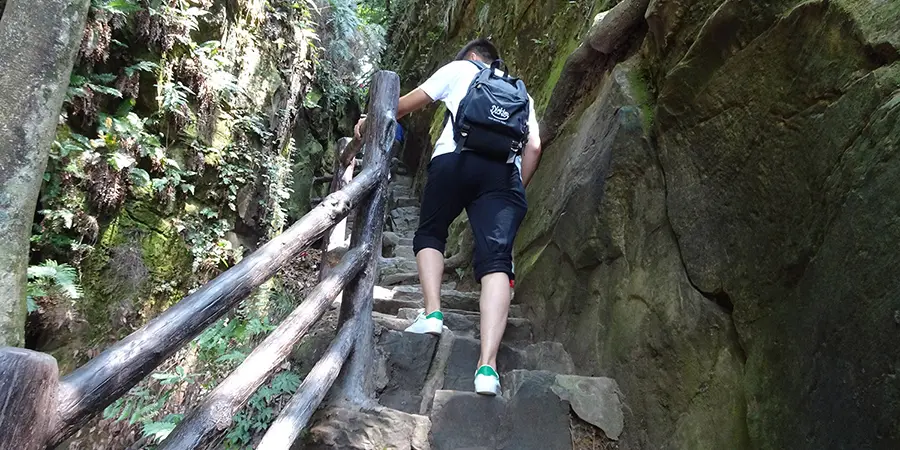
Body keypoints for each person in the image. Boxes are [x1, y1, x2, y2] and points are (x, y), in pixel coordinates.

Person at [355, 39, 542, 396]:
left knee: (430, 234)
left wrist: (370, 120)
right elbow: (534, 146)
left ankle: (433, 314)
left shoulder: (459, 70)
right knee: (497, 263)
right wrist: (515, 185)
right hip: (502, 175)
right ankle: (487, 368)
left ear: (472, 57)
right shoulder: (521, 92)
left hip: (454, 160)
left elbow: (404, 106)